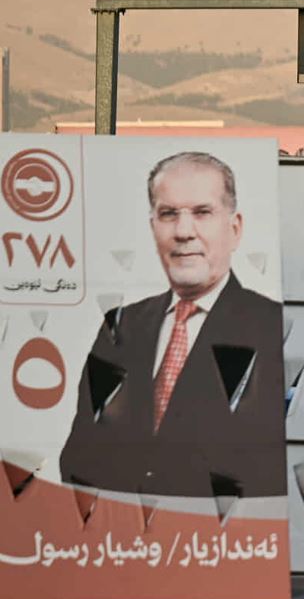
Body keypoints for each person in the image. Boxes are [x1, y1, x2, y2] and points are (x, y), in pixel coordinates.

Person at [59, 152, 283, 498]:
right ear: (153, 227)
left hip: (222, 542)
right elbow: (80, 456)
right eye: (168, 214)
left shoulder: (272, 328)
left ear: (235, 228)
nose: (183, 232)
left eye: (202, 212)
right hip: (123, 541)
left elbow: (271, 468)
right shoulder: (121, 327)